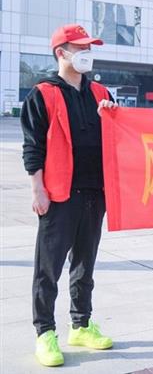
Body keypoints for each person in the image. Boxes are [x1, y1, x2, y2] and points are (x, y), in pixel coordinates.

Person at [21, 23, 116, 367]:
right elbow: (33, 147)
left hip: (95, 192)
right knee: (48, 268)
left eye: (89, 48)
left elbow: (120, 136)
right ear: (61, 52)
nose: (87, 53)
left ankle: (81, 324)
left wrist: (112, 117)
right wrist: (38, 189)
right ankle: (45, 332)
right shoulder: (43, 93)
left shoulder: (101, 92)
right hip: (59, 193)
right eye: (81, 48)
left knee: (85, 263)